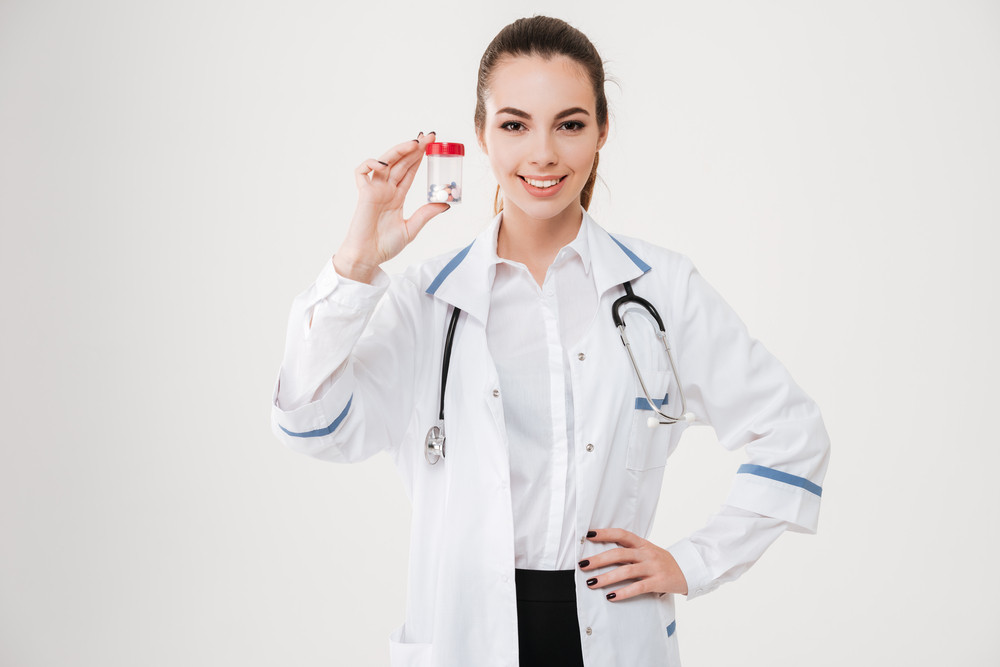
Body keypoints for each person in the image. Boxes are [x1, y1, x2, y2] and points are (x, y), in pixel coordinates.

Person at [270, 15, 830, 667]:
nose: (542, 153)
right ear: (481, 134)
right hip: (463, 635)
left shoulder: (662, 289)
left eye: (569, 124)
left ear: (602, 131)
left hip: (613, 630)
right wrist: (356, 263)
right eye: (514, 124)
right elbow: (307, 425)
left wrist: (694, 561)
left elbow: (792, 433)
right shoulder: (426, 302)